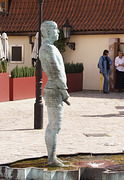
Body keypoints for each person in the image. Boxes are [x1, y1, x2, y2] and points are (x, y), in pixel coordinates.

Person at [39, 21, 70, 167]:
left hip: (54, 88)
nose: (58, 32)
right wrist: (64, 91)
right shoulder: (48, 49)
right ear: (49, 32)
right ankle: (51, 158)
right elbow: (56, 71)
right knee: (54, 125)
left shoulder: (49, 48)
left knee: (55, 125)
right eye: (56, 30)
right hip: (54, 89)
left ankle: (52, 156)